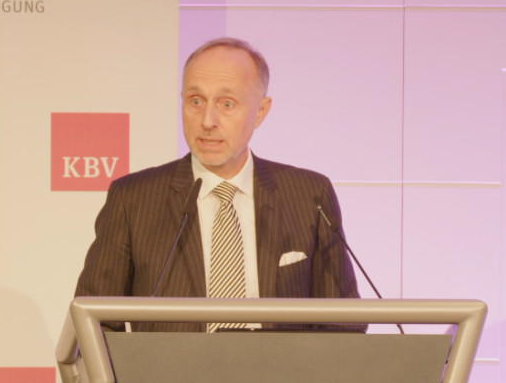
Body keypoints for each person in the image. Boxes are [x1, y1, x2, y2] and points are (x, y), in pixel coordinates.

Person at [74, 37, 361, 332]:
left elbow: (343, 323)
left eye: (227, 104)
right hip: (172, 364)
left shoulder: (309, 196)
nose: (207, 120)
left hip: (280, 364)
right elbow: (92, 325)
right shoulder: (134, 199)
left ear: (261, 112)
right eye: (195, 101)